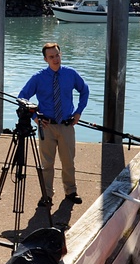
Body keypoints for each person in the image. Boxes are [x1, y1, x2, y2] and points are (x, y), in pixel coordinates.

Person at [18, 42, 90, 207]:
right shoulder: (38, 78)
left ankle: (71, 192)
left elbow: (84, 90)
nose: (55, 59)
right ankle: (47, 195)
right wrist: (35, 117)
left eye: (57, 55)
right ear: (45, 59)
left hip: (66, 125)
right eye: (51, 57)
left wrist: (78, 112)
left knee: (68, 162)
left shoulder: (70, 74)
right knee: (46, 164)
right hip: (46, 126)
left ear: (60, 54)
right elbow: (22, 97)